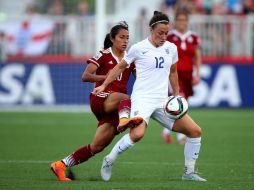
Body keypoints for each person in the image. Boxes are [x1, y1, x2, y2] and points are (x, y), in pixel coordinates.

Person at [93, 11, 206, 182]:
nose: (164, 36)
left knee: (195, 131)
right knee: (137, 135)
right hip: (142, 99)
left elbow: (173, 73)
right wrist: (103, 84)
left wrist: (175, 95)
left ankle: (189, 173)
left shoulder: (171, 48)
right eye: (160, 32)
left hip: (162, 101)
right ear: (151, 29)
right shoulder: (139, 48)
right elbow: (119, 68)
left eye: (166, 33)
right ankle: (109, 160)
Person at [50, 21, 142, 181]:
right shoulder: (103, 55)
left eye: (127, 38)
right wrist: (105, 77)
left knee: (97, 146)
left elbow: (141, 79)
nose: (125, 40)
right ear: (113, 39)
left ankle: (61, 165)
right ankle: (125, 120)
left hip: (117, 107)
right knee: (126, 98)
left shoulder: (130, 59)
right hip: (101, 98)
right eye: (122, 37)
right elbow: (85, 76)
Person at [161, 9, 202, 145]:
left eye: (184, 20)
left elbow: (197, 56)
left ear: (187, 21)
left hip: (188, 74)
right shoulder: (170, 37)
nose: (182, 23)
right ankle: (181, 137)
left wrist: (197, 73)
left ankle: (166, 131)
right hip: (174, 74)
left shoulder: (193, 37)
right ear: (175, 21)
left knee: (184, 103)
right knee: (180, 100)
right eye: (179, 20)